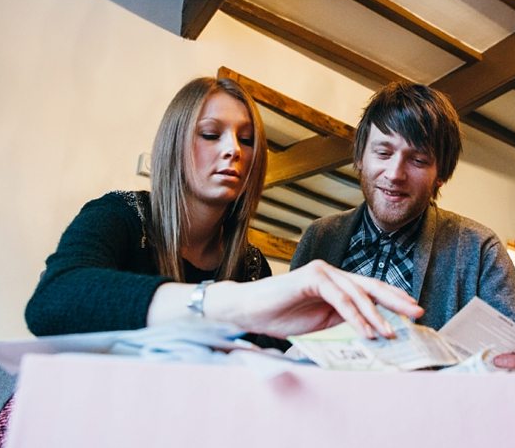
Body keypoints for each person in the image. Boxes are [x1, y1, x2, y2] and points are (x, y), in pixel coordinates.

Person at [25, 76, 423, 343]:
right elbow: (52, 301)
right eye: (211, 134)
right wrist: (225, 304)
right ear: (175, 144)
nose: (233, 149)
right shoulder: (121, 217)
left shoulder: (250, 264)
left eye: (247, 140)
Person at [291, 81, 515, 370]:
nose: (395, 174)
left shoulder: (479, 247)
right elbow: (281, 343)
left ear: (441, 174)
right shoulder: (319, 237)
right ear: (360, 156)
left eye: (418, 159)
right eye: (383, 153)